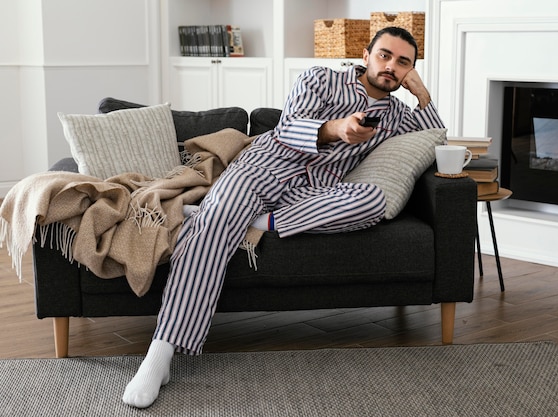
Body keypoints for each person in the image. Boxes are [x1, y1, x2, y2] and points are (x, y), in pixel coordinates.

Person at [123, 26, 445, 408]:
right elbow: (290, 128)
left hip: (315, 192)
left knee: (375, 201)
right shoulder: (322, 78)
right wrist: (338, 129)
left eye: (403, 62)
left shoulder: (396, 115)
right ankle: (160, 355)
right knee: (212, 227)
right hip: (265, 168)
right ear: (366, 55)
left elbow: (437, 135)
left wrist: (422, 94)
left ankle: (257, 222)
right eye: (384, 55)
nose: (391, 66)